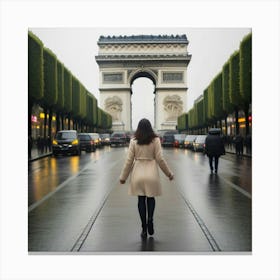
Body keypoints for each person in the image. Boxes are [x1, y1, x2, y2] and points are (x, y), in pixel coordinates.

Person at [119, 119, 174, 239]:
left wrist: (123, 177)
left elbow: (129, 160)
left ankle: (143, 228)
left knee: (141, 201)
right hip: (151, 173)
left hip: (138, 174)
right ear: (150, 128)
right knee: (151, 199)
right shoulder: (156, 140)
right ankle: (150, 220)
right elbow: (160, 159)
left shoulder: (133, 141)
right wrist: (169, 174)